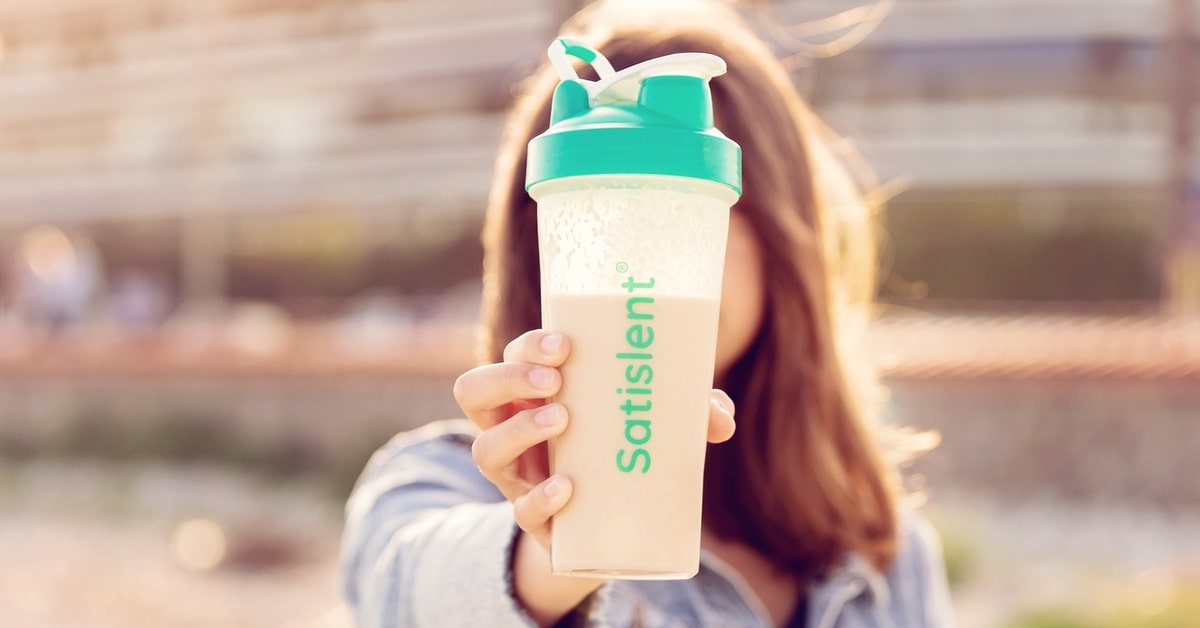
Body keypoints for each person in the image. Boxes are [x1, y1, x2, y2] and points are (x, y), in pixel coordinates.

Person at [340, 1, 955, 626]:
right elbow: (411, 592)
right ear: (540, 250)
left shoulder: (883, 549)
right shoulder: (431, 485)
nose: (637, 261)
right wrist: (551, 546)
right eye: (599, 223)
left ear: (781, 238)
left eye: (674, 218)